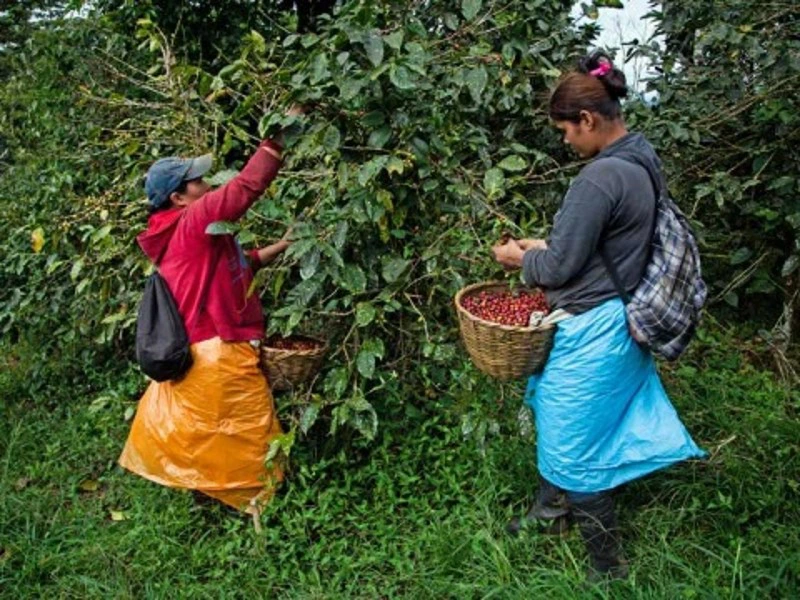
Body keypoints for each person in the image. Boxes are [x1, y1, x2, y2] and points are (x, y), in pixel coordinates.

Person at [491, 52, 705, 581]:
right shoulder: (641, 159)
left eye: (566, 130)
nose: (566, 141)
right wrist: (554, 245)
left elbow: (560, 266)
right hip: (619, 318)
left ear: (587, 120)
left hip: (594, 329)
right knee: (560, 418)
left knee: (576, 442)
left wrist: (522, 259)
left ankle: (606, 565)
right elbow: (606, 242)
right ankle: (550, 509)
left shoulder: (598, 178)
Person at [119, 107, 304, 515]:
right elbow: (247, 186)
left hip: (205, 354)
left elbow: (239, 265)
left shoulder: (184, 236)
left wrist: (282, 246)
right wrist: (280, 135)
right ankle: (260, 515)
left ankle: (213, 505)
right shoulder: (194, 220)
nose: (206, 186)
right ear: (178, 197)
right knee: (250, 442)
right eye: (198, 182)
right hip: (219, 353)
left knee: (211, 437)